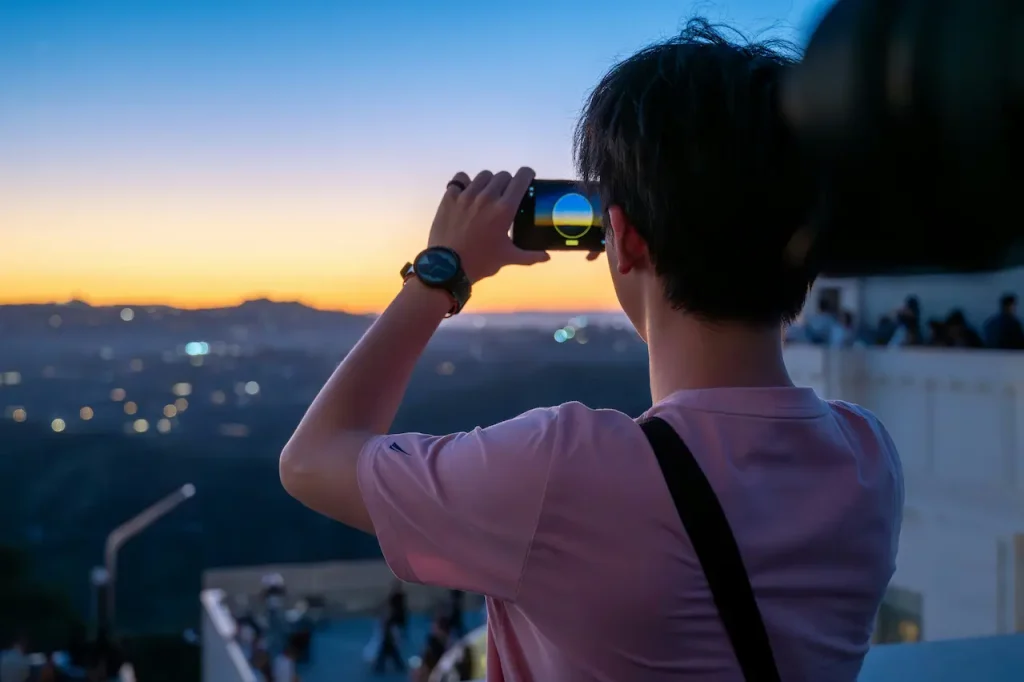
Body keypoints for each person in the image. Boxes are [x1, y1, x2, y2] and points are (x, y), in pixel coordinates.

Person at [279, 18, 904, 681]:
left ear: (624, 240)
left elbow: (311, 460)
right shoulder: (868, 460)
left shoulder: (562, 473)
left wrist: (442, 271)